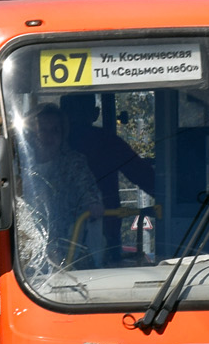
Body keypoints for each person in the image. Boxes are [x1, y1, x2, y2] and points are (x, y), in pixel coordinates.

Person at [60, 94, 155, 261]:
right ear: (96, 114)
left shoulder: (50, 141)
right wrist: (177, 199)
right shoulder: (106, 141)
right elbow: (143, 176)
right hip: (105, 231)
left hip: (56, 233)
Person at [15, 103, 105, 276]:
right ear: (31, 134)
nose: (49, 137)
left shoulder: (73, 162)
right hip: (26, 247)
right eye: (43, 130)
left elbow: (88, 189)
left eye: (55, 130)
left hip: (69, 244)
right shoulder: (19, 164)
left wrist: (93, 203)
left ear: (63, 134)